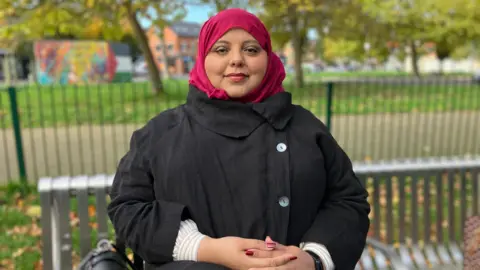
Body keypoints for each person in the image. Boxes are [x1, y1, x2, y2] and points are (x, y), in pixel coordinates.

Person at [107, 8, 370, 270]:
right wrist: (204, 248)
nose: (237, 60)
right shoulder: (161, 134)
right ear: (202, 58)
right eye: (221, 50)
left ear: (268, 58)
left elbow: (347, 200)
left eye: (251, 50)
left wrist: (314, 258)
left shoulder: (305, 127)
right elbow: (128, 206)